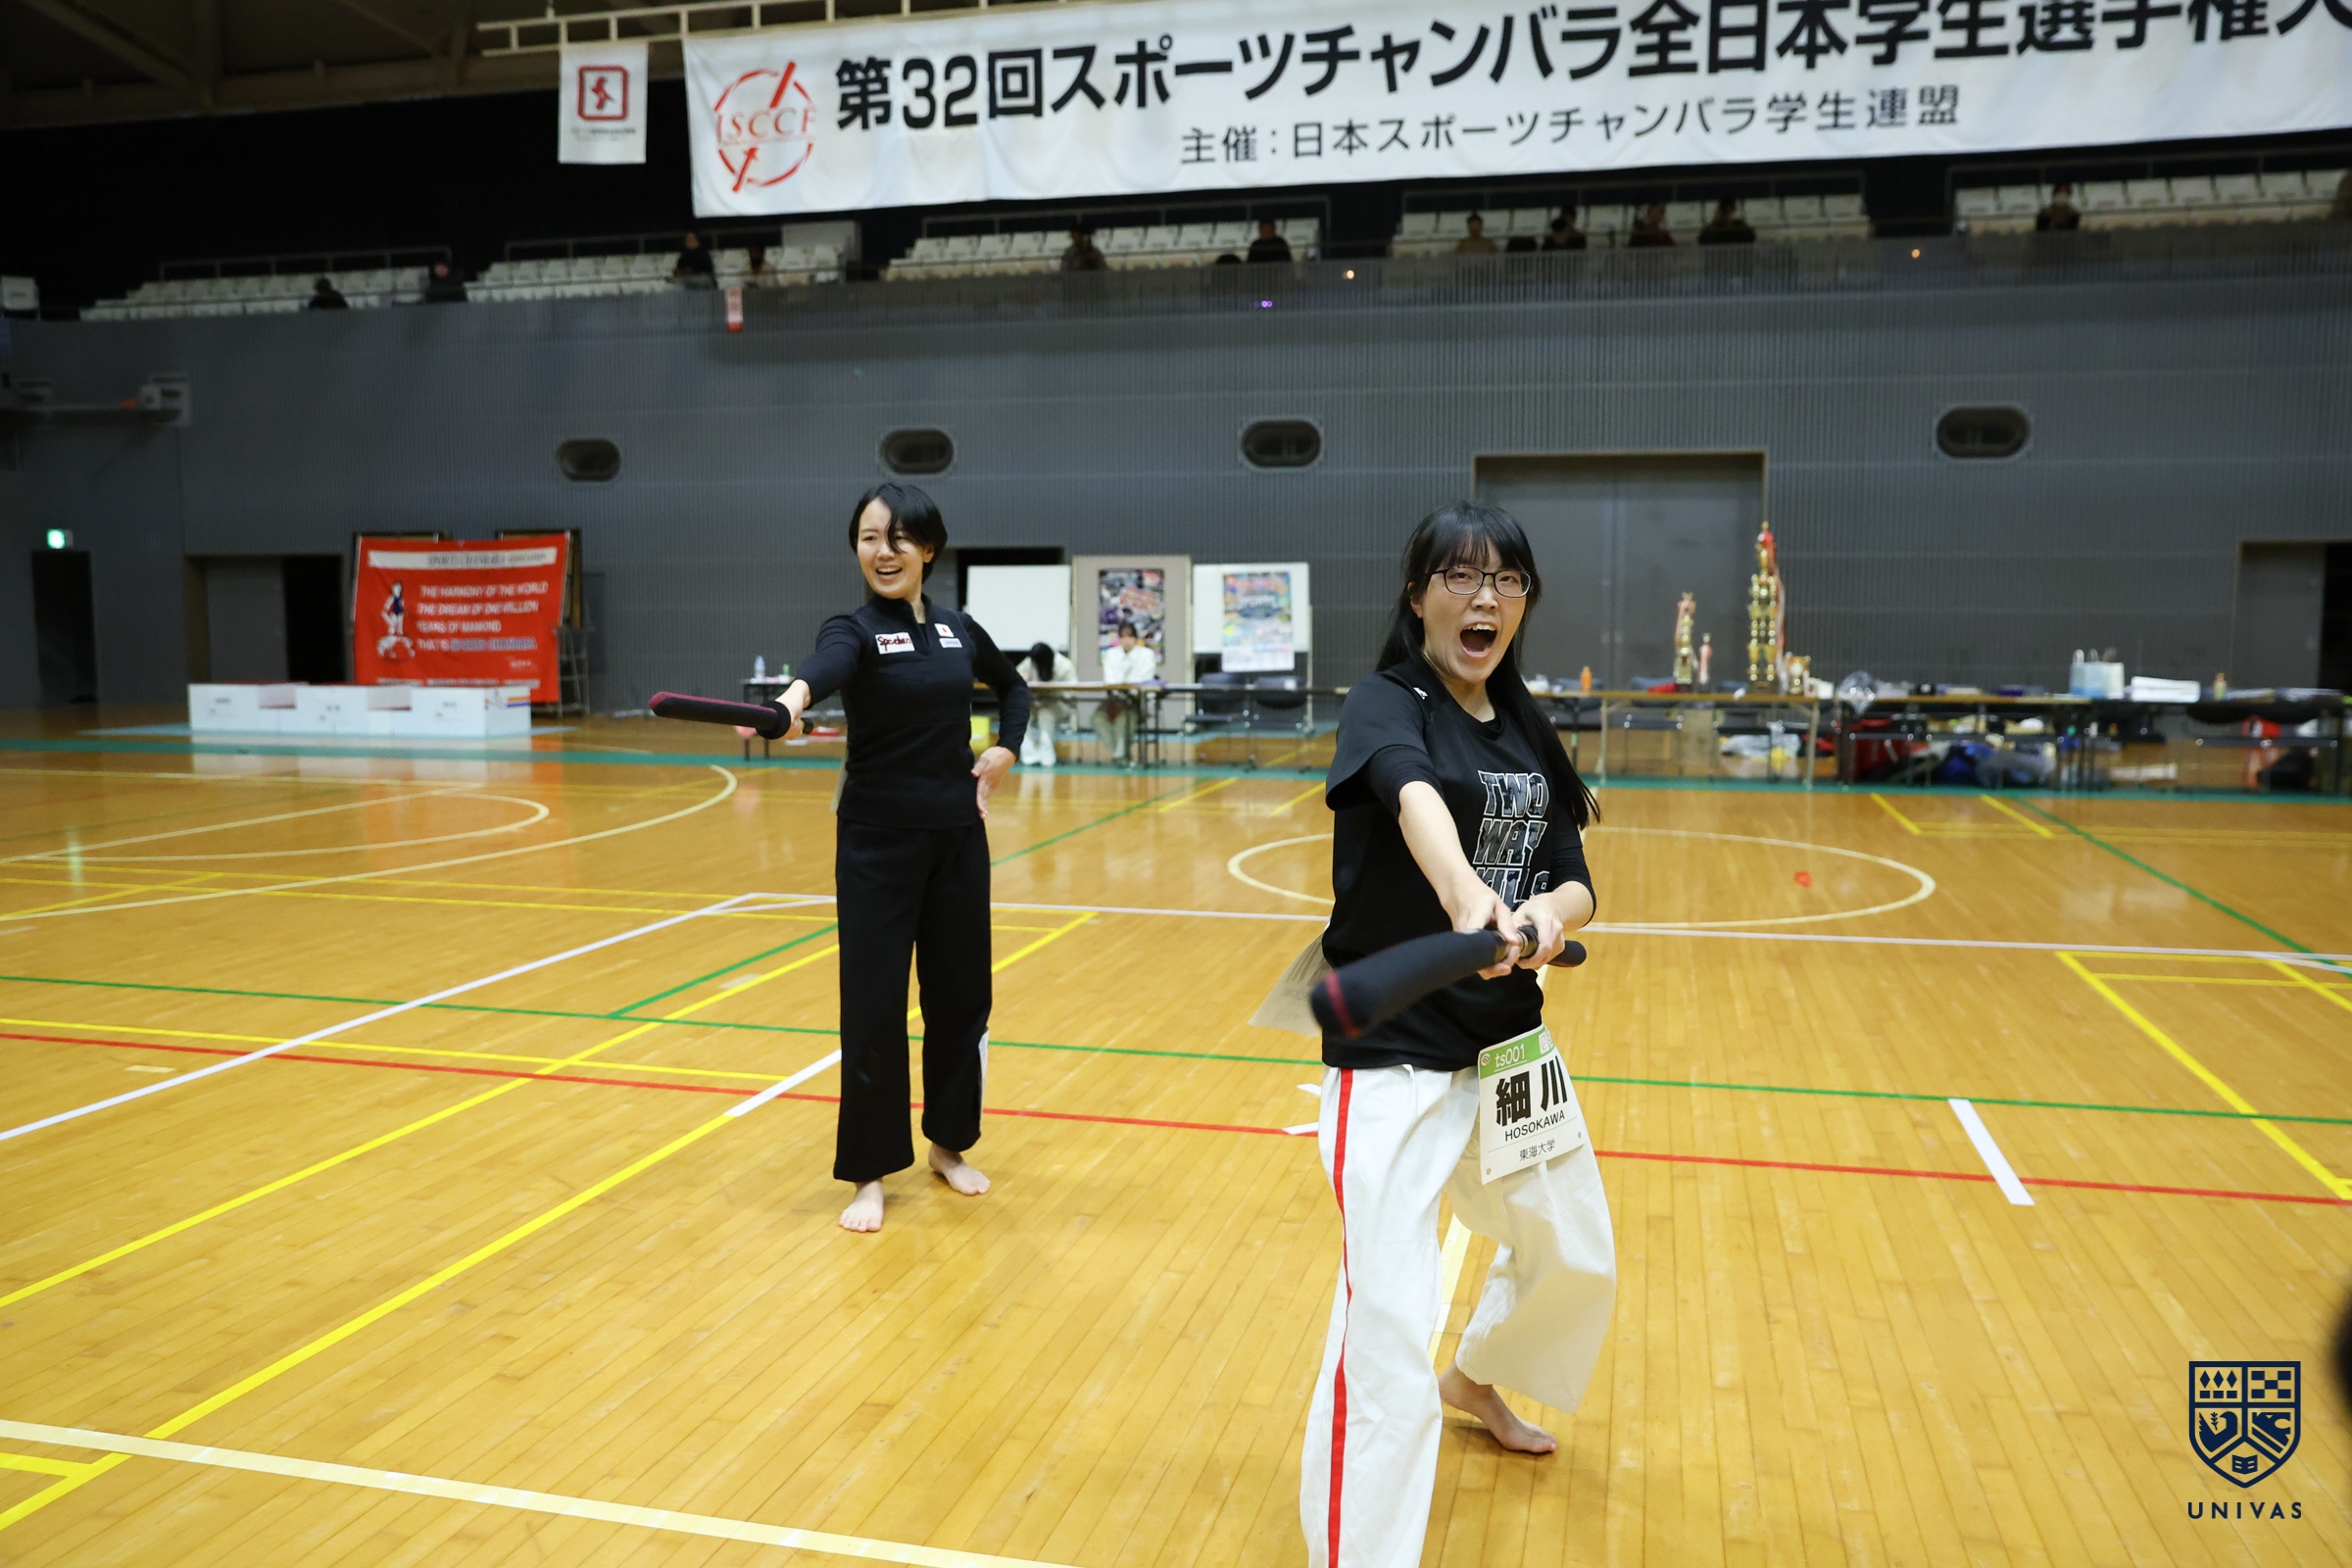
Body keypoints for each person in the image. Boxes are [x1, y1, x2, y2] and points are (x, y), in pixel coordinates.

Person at [1298, 502, 1612, 1568]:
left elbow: (1575, 876)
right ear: (1418, 593)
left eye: (1507, 580)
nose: (1486, 598)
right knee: (1386, 1327)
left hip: (1510, 1048)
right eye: (1462, 578)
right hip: (1395, 1057)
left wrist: (1545, 917)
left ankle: (1475, 1377)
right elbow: (1412, 799)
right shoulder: (1387, 703)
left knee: (1576, 1254)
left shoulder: (1524, 721)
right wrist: (1470, 895)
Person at [760, 483, 1032, 1234]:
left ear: (928, 548)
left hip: (957, 840)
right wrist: (790, 704)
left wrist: (1005, 749)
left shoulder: (957, 629)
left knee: (962, 1000)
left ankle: (948, 1144)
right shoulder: (852, 629)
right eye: (869, 538)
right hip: (877, 845)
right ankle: (869, 1173)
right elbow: (823, 667)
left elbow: (1014, 689)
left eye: (899, 538)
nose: (884, 552)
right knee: (874, 1009)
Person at [1093, 620, 1158, 764]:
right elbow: (1110, 679)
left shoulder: (1146, 654)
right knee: (1097, 719)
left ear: (1136, 638)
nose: (1126, 640)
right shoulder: (1111, 654)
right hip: (1115, 699)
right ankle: (1118, 754)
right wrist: (1119, 688)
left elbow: (1144, 679)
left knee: (1124, 719)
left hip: (1138, 701)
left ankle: (1121, 755)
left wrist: (1127, 686)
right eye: (1122, 636)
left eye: (1129, 636)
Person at [1021, 642, 1078, 767]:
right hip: (1034, 703)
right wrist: (1020, 679)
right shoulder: (1030, 662)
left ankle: (1047, 756)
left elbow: (1072, 693)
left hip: (1059, 704)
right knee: (1021, 714)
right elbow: (1016, 675)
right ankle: (1030, 755)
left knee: (1045, 714)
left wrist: (1052, 694)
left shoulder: (1065, 666)